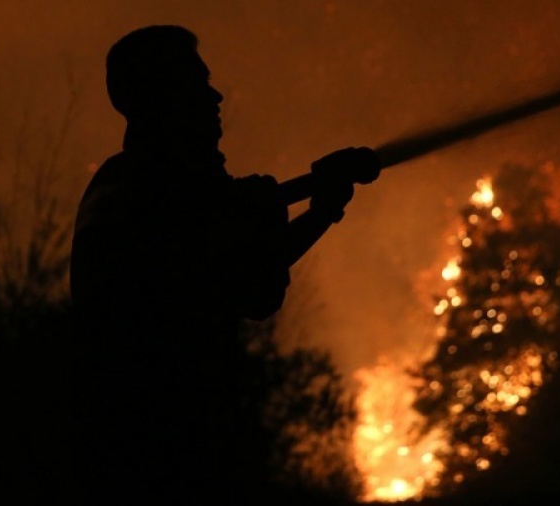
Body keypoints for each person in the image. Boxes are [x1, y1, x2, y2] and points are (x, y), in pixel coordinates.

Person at [68, 24, 379, 503]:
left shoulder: (138, 186)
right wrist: (275, 211)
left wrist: (319, 211)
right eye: (196, 84)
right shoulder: (150, 196)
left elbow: (242, 267)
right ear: (160, 97)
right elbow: (246, 283)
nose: (215, 97)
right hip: (162, 455)